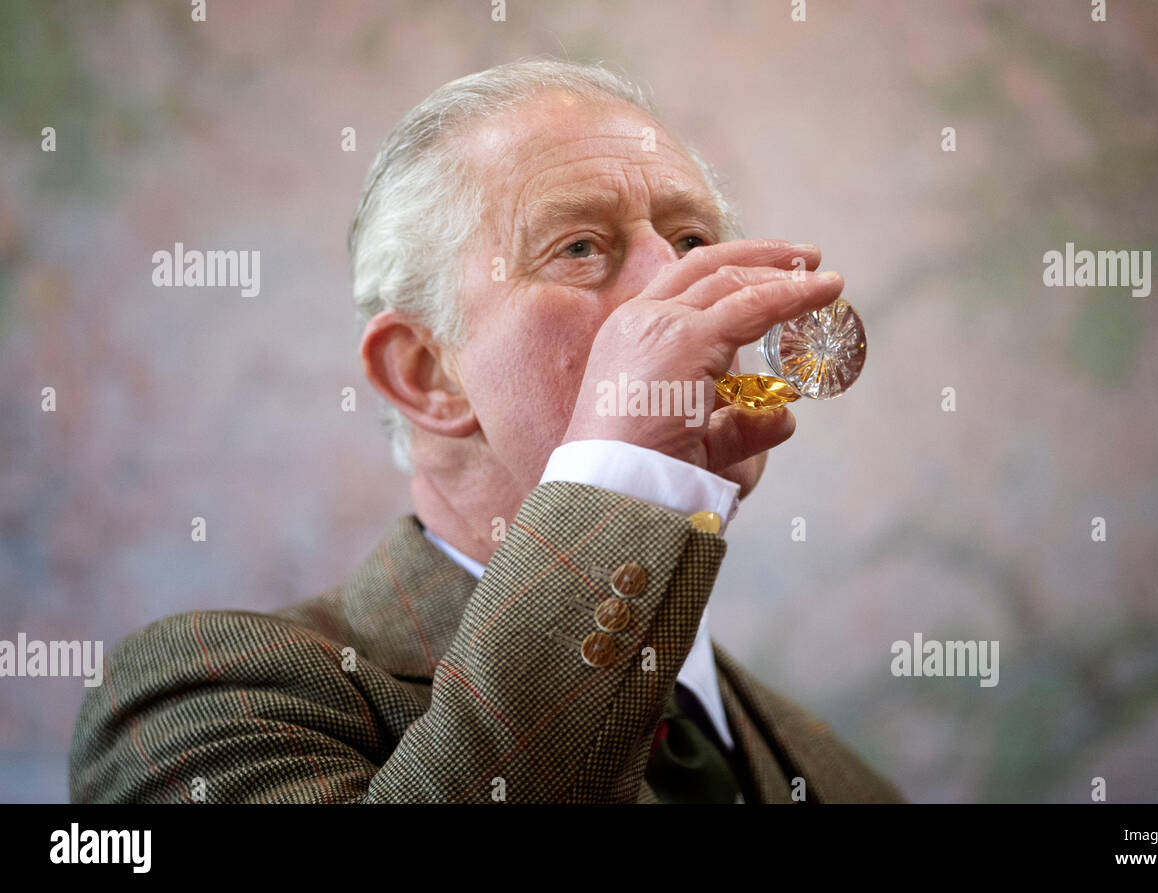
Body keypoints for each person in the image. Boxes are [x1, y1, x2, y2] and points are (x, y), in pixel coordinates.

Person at [69, 59, 904, 804]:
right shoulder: (201, 701)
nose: (680, 284)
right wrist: (622, 477)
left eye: (692, 240)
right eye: (579, 247)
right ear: (425, 374)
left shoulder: (840, 773)